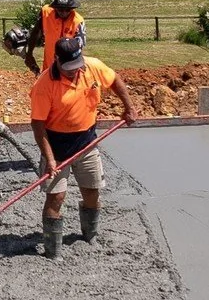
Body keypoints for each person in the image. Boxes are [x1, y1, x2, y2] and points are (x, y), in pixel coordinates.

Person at [28, 34, 138, 258]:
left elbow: (115, 80)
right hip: (57, 146)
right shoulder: (44, 85)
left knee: (91, 192)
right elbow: (38, 126)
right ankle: (52, 251)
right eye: (69, 67)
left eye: (77, 65)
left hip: (87, 143)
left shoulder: (93, 67)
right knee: (56, 197)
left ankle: (89, 236)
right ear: (57, 60)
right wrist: (49, 159)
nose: (75, 71)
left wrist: (129, 107)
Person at [24, 0, 86, 76]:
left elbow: (79, 47)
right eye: (60, 10)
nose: (63, 13)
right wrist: (29, 54)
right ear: (55, 7)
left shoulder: (78, 22)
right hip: (49, 68)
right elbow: (36, 32)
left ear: (72, 8)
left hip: (68, 69)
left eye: (67, 10)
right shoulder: (45, 13)